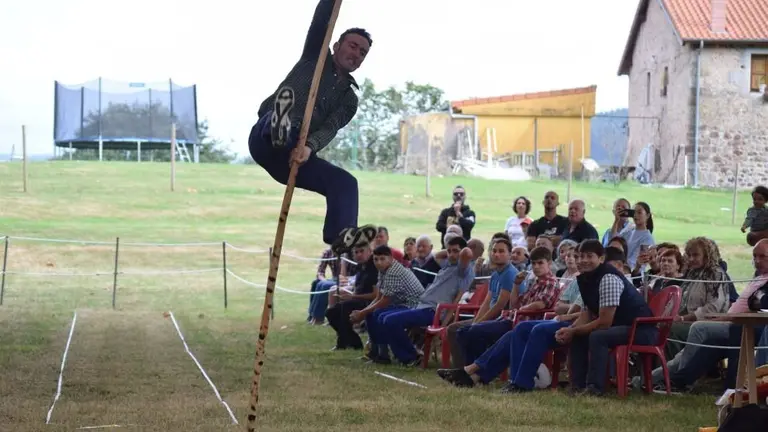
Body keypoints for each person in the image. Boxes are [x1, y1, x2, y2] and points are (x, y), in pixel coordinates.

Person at [247, 0, 376, 255]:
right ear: (336, 45)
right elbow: (321, 22)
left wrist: (308, 148)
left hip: (294, 157)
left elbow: (329, 128)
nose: (357, 54)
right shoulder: (314, 58)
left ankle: (340, 235)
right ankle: (280, 126)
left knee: (346, 183)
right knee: (282, 118)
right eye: (353, 45)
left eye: (363, 52)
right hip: (265, 139)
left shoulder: (349, 100)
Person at [554, 240, 656, 396]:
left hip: (642, 329)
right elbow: (587, 314)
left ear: (601, 259)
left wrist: (574, 331)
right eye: (580, 256)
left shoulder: (608, 278)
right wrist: (571, 330)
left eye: (589, 256)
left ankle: (595, 388)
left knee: (598, 336)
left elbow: (604, 322)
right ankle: (577, 386)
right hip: (620, 327)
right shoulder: (585, 278)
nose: (583, 260)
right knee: (579, 335)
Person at [325, 243, 379, 350]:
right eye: (356, 252)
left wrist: (354, 296)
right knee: (330, 312)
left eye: (361, 251)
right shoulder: (360, 267)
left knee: (344, 308)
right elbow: (356, 288)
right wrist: (348, 294)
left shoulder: (374, 269)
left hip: (370, 303)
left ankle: (344, 343)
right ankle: (353, 341)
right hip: (357, 299)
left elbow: (375, 295)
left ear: (369, 251)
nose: (359, 254)